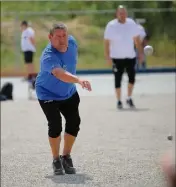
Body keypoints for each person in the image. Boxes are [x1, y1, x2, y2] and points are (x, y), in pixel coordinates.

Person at [35, 23, 92, 175]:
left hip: (68, 92)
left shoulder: (72, 42)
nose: (62, 39)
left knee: (74, 122)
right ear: (50, 37)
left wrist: (75, 82)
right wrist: (78, 80)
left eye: (64, 35)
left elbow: (70, 62)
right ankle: (56, 160)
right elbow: (60, 74)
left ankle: (66, 156)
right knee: (55, 125)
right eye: (57, 36)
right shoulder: (48, 56)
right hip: (47, 93)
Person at [104, 5, 144, 109]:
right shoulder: (111, 25)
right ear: (117, 14)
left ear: (126, 13)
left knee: (132, 78)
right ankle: (118, 101)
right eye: (120, 13)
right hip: (117, 57)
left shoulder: (131, 24)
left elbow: (137, 40)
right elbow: (107, 42)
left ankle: (129, 97)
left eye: (124, 13)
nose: (122, 15)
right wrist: (107, 56)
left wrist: (140, 53)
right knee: (118, 79)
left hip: (130, 56)